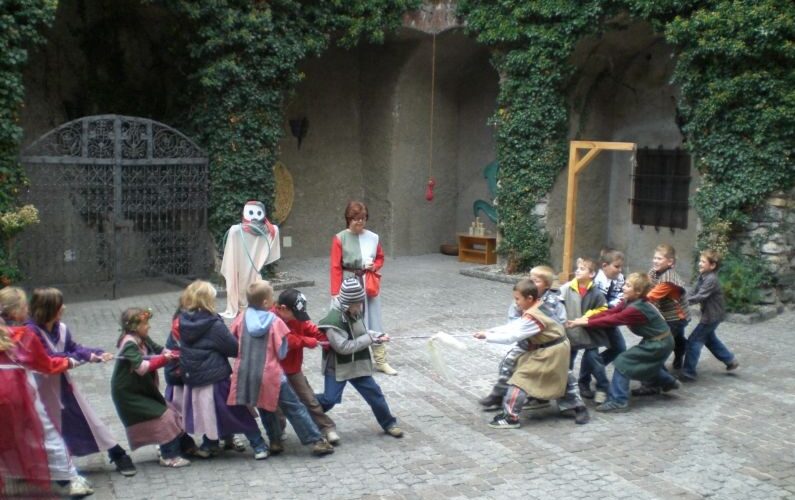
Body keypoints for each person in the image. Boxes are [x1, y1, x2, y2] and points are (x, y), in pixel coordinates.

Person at [26, 287, 136, 477]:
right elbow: (49, 357)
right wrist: (84, 357)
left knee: (87, 419)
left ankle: (117, 453)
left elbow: (72, 348)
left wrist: (96, 353)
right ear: (49, 309)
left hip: (61, 384)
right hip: (38, 388)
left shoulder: (60, 328)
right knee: (43, 428)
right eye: (60, 305)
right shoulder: (31, 332)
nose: (64, 308)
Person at [0, 292, 93, 497]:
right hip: (18, 392)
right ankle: (70, 479)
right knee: (46, 432)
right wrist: (71, 361)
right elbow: (46, 365)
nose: (28, 310)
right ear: (16, 312)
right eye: (25, 307)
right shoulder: (24, 336)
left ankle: (12, 473)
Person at [228, 281, 334, 458]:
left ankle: (275, 441)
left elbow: (232, 341)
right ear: (265, 302)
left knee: (265, 407)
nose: (273, 300)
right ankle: (316, 440)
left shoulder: (241, 319)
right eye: (271, 297)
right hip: (272, 373)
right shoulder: (275, 321)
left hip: (248, 372)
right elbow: (282, 350)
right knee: (294, 407)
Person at [177, 280, 266, 458]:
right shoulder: (213, 324)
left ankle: (210, 444)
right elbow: (232, 348)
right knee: (236, 410)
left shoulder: (183, 321)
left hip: (194, 377)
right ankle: (258, 444)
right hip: (216, 376)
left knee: (207, 412)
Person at [568, 273, 680, 412]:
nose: (623, 287)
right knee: (644, 364)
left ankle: (619, 400)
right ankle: (668, 382)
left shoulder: (635, 309)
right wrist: (586, 319)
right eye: (625, 284)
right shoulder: (629, 301)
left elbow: (613, 319)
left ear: (638, 291)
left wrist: (586, 323)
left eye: (628, 286)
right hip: (657, 340)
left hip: (660, 343)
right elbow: (611, 313)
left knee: (623, 361)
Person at [474, 278, 574, 429]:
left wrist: (487, 337)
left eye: (517, 299)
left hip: (551, 351)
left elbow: (512, 337)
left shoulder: (534, 317)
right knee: (522, 370)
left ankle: (511, 417)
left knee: (520, 379)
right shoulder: (536, 306)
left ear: (529, 298)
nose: (516, 303)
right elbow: (514, 326)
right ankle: (539, 400)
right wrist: (489, 331)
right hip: (549, 348)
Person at [316, 278, 404, 438]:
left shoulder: (354, 311)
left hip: (357, 365)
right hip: (337, 367)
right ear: (348, 303)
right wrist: (370, 339)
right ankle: (307, 409)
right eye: (357, 303)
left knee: (374, 394)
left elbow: (362, 333)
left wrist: (377, 336)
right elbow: (343, 347)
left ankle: (389, 423)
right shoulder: (333, 322)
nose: (360, 306)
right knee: (330, 399)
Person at [111, 308, 192, 468]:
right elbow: (141, 367)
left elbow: (159, 349)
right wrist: (164, 360)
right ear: (135, 327)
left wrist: (177, 354)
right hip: (129, 393)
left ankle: (184, 447)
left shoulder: (141, 337)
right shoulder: (129, 343)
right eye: (145, 324)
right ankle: (169, 456)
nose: (149, 326)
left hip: (142, 389)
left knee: (171, 412)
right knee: (164, 418)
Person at [330, 200, 396, 375]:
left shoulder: (373, 237)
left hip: (368, 283)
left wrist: (375, 266)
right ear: (348, 219)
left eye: (363, 218)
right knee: (349, 322)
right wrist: (336, 293)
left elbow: (380, 257)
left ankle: (381, 360)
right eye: (356, 218)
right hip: (349, 284)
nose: (360, 222)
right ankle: (348, 360)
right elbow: (335, 267)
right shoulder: (340, 238)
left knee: (374, 319)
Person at [272, 288, 340, 445]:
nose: (298, 318)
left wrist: (326, 339)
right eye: (295, 314)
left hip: (293, 367)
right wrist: (308, 341)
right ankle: (277, 433)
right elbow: (287, 339)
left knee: (309, 399)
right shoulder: (272, 318)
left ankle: (326, 427)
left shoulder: (296, 316)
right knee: (276, 405)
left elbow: (309, 327)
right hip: (275, 369)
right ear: (283, 308)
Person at [680, 250, 739, 381]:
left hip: (712, 316)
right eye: (700, 261)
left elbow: (701, 296)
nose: (699, 263)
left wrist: (681, 302)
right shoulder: (702, 276)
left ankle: (688, 373)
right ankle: (730, 360)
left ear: (712, 266)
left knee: (694, 341)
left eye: (703, 261)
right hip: (711, 315)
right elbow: (693, 292)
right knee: (709, 339)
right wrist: (682, 297)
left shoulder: (711, 279)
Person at [561, 258, 609, 404]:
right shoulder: (566, 288)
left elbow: (603, 309)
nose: (578, 270)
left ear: (592, 274)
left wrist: (586, 317)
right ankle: (566, 389)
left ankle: (602, 388)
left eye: (582, 269)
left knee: (595, 362)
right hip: (570, 333)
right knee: (566, 364)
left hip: (589, 333)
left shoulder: (596, 293)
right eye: (578, 268)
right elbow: (557, 305)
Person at [646, 244, 690, 371]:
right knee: (677, 339)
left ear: (670, 262)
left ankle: (659, 372)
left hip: (676, 317)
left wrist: (632, 298)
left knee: (663, 343)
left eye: (659, 258)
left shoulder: (668, 280)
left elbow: (650, 296)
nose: (655, 261)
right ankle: (683, 351)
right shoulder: (653, 272)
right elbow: (646, 285)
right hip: (667, 314)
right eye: (654, 258)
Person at [591, 248, 627, 373]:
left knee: (619, 348)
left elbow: (621, 297)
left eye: (621, 267)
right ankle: (585, 378)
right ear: (604, 266)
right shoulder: (596, 281)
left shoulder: (620, 278)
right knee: (591, 350)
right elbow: (598, 303)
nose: (620, 270)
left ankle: (594, 369)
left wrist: (613, 306)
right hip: (594, 319)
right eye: (616, 266)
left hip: (609, 319)